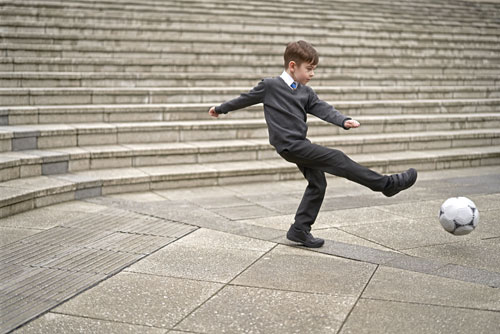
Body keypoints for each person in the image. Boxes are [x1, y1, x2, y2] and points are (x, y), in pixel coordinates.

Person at [208, 40, 417, 248]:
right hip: (289, 145)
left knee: (318, 183)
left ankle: (299, 229)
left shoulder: (306, 92)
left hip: (300, 143)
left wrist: (343, 120)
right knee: (336, 157)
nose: (312, 74)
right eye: (308, 69)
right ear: (292, 66)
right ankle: (386, 185)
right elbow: (244, 98)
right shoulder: (270, 86)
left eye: (313, 69)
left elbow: (322, 108)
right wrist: (220, 108)